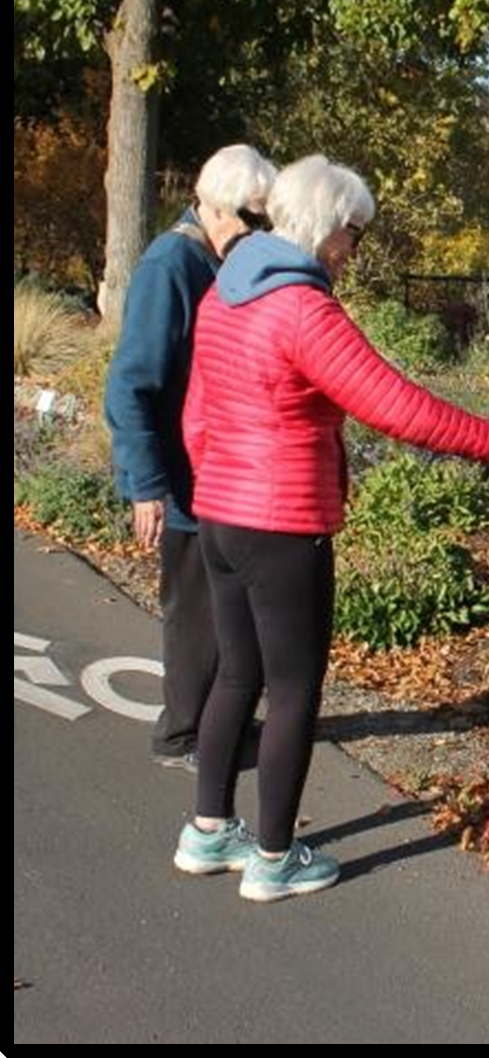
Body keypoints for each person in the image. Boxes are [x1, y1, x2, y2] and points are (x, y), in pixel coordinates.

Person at [174, 154, 489, 901]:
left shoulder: (226, 294)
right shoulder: (302, 309)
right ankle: (276, 860)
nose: (354, 249)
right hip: (282, 525)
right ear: (322, 226)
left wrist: (215, 485)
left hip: (220, 515)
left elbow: (196, 413)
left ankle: (208, 832)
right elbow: (394, 404)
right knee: (293, 691)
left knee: (236, 676)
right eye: (354, 232)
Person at [105, 144, 279, 772]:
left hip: (216, 472)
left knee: (223, 610)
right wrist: (146, 482)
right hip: (182, 477)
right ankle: (183, 735)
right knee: (197, 614)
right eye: (252, 219)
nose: (261, 233)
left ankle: (215, 725)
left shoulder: (214, 258)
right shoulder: (172, 262)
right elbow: (132, 382)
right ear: (213, 206)